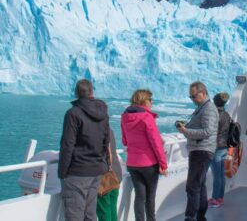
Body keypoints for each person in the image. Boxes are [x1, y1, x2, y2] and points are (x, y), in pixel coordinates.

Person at [58, 79, 110, 221]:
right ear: (92, 92)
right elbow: (106, 140)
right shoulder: (103, 113)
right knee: (90, 214)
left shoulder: (73, 114)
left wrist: (62, 171)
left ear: (76, 93)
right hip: (96, 171)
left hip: (77, 172)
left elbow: (67, 145)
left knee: (75, 215)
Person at [121, 89, 169, 221]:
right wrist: (163, 164)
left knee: (139, 196)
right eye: (150, 100)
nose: (152, 102)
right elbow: (155, 143)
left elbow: (125, 141)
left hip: (132, 163)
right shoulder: (147, 117)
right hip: (148, 164)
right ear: (143, 100)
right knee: (150, 197)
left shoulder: (124, 116)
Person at [177, 81, 218, 221]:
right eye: (190, 97)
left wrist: (186, 131)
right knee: (200, 185)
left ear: (203, 93)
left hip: (202, 150)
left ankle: (191, 217)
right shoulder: (202, 107)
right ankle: (200, 216)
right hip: (200, 150)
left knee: (192, 186)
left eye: (194, 96)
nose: (193, 99)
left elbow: (207, 131)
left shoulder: (209, 109)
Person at [208, 92, 231, 208]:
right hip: (224, 147)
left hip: (216, 148)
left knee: (217, 175)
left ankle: (216, 199)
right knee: (221, 175)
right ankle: (220, 197)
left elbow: (210, 131)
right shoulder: (227, 114)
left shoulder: (216, 115)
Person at [97, 126, 123, 221]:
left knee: (104, 212)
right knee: (112, 210)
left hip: (103, 177)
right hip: (115, 174)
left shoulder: (93, 130)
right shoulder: (108, 128)